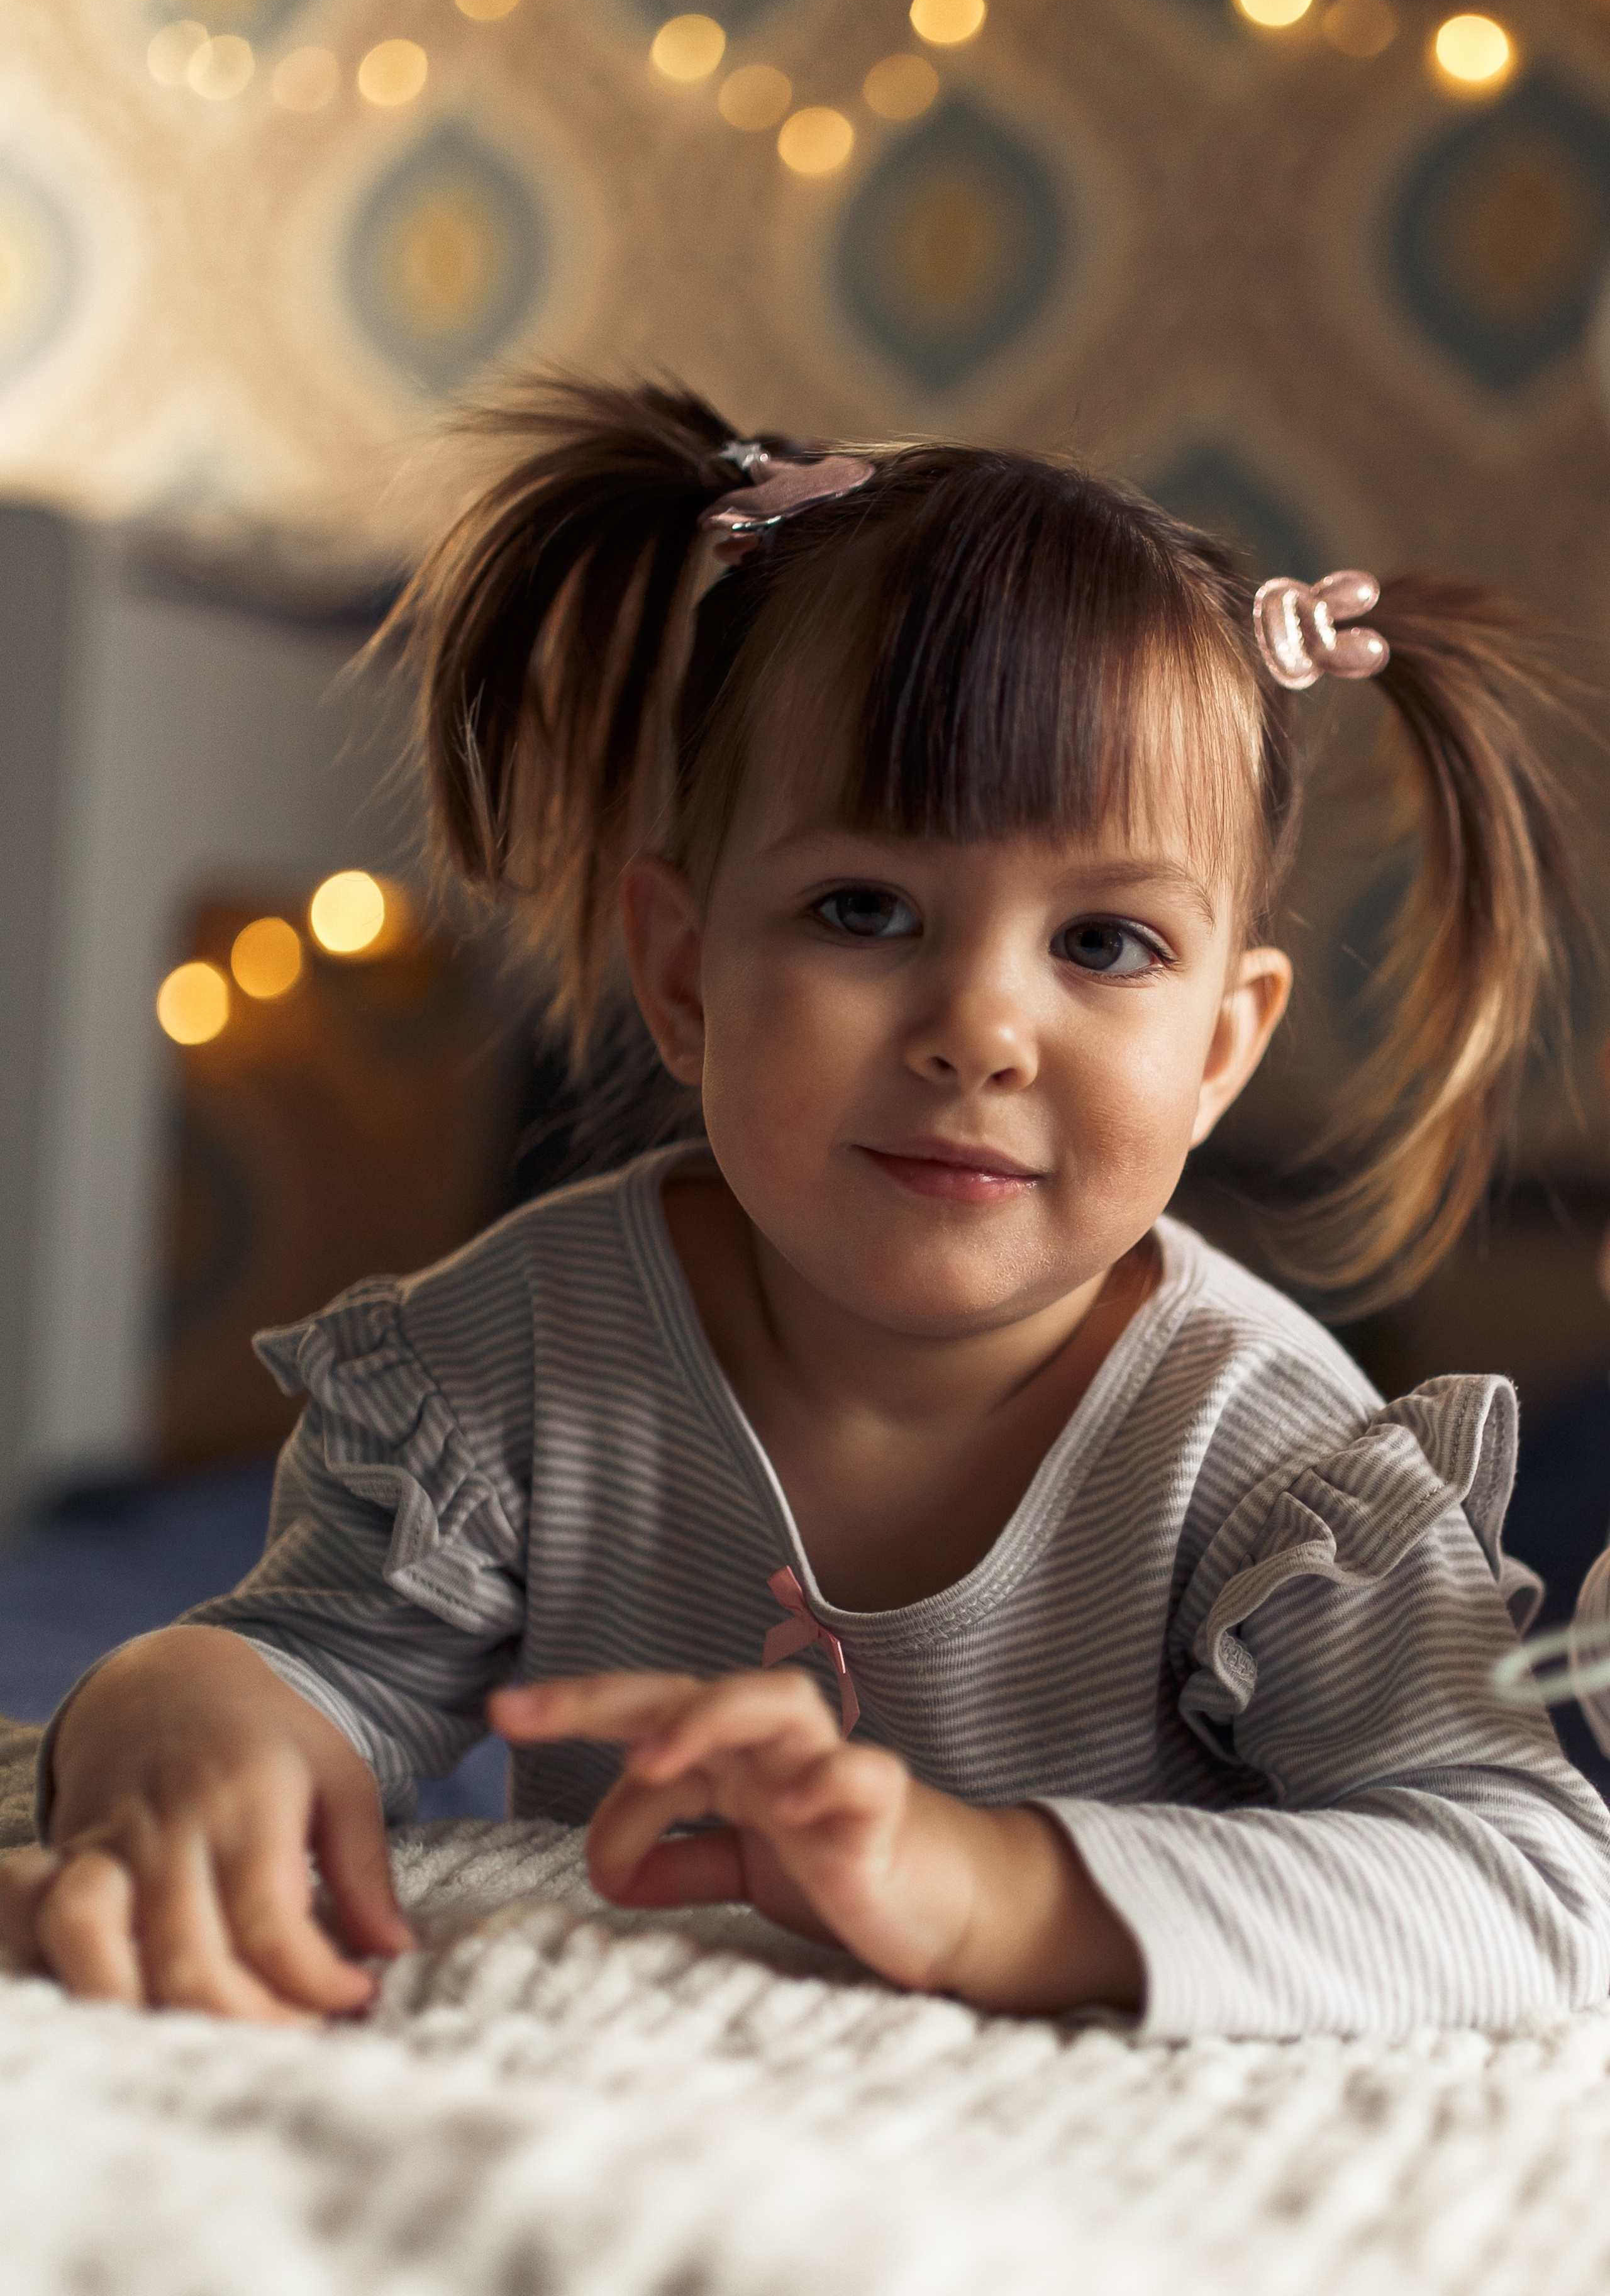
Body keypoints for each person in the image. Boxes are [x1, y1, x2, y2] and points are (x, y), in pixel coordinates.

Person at [4, 381, 1607, 2036]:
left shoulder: (1270, 1463)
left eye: (1105, 942)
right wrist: (186, 1715)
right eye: (865, 908)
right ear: (687, 974)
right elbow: (318, 1669)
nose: (980, 1029)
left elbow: (1533, 1887)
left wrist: (988, 1882)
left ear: (1220, 1046)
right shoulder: (519, 1360)